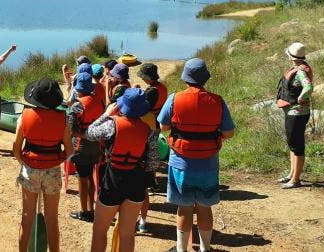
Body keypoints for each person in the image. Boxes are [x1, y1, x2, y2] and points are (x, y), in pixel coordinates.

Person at [158, 58, 235, 252]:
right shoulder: (217, 101)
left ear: (186, 78)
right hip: (208, 164)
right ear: (205, 79)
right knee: (204, 207)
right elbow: (228, 133)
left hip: (180, 163)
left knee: (184, 208)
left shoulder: (175, 98)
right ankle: (205, 248)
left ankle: (181, 249)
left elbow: (164, 126)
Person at [85, 88, 159, 252]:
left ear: (122, 106)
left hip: (113, 181)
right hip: (136, 184)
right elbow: (153, 163)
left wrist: (106, 114)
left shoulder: (112, 125)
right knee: (127, 234)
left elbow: (89, 133)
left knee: (99, 231)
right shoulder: (149, 132)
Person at [13, 78, 73, 252]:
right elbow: (68, 151)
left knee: (27, 217)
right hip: (52, 171)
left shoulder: (24, 117)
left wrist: (25, 163)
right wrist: (54, 161)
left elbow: (16, 149)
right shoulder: (63, 119)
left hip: (30, 170)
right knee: (52, 219)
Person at [134, 62, 169, 233]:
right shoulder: (162, 87)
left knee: (146, 153)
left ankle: (150, 181)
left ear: (148, 78)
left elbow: (142, 107)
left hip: (148, 126)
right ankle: (152, 180)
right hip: (156, 124)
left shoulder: (152, 91)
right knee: (152, 154)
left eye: (142, 76)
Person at [67, 72, 105, 223]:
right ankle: (91, 209)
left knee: (83, 179)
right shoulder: (100, 102)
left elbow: (71, 130)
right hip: (96, 146)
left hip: (81, 146)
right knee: (90, 176)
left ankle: (84, 212)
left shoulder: (78, 105)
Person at [276, 42, 313, 189]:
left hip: (296, 113)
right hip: (295, 113)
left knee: (297, 145)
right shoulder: (301, 67)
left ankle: (295, 180)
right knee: (293, 144)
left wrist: (301, 97)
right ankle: (291, 175)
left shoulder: (300, 71)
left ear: (291, 57)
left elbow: (308, 86)